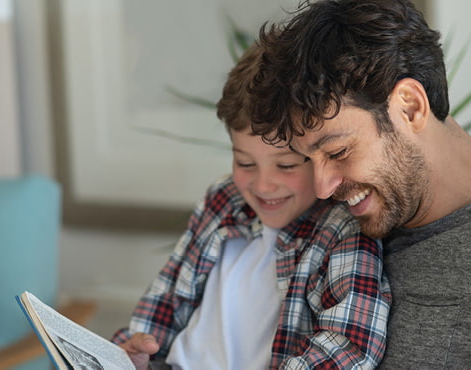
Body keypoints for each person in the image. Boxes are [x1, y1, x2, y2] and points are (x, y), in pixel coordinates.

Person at [245, 0, 471, 368]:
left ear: (410, 107)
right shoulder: (338, 227)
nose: (323, 188)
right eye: (306, 159)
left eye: (338, 151)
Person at [111, 43, 391, 369]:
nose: (262, 186)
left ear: (321, 156)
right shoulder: (223, 199)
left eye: (286, 166)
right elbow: (165, 302)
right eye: (245, 163)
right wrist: (135, 353)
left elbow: (349, 347)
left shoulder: (342, 226)